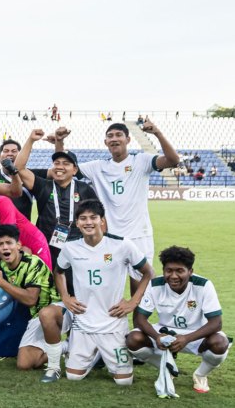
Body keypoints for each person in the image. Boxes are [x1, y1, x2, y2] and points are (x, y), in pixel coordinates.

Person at [55, 200, 153, 385]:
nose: (88, 222)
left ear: (102, 220)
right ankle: (87, 353)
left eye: (93, 217)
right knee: (74, 377)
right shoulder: (70, 247)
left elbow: (148, 273)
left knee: (124, 382)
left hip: (113, 324)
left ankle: (103, 352)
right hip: (83, 324)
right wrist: (65, 297)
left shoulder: (122, 245)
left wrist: (133, 302)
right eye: (83, 218)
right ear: (77, 223)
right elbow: (58, 272)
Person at [77, 122, 177, 286]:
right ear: (105, 142)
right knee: (108, 289)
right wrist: (60, 142)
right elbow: (67, 169)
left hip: (139, 235)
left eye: (119, 135)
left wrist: (157, 133)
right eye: (110, 136)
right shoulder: (97, 167)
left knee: (139, 288)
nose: (114, 139)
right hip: (110, 237)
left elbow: (173, 160)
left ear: (128, 139)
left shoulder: (141, 160)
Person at [126, 246, 228, 394]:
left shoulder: (203, 285)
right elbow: (140, 319)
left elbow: (216, 323)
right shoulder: (155, 285)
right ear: (163, 270)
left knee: (220, 342)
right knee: (133, 339)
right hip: (165, 332)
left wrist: (187, 338)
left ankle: (200, 375)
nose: (173, 276)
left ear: (190, 271)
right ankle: (168, 367)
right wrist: (157, 336)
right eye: (169, 270)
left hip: (195, 334)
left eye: (180, 271)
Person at [0, 225, 69, 382]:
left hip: (57, 310)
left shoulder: (33, 263)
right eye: (0, 244)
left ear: (18, 245)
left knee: (46, 313)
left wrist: (1, 282)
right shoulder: (4, 263)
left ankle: (56, 364)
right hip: (38, 316)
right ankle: (67, 345)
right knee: (24, 364)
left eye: (9, 243)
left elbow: (31, 300)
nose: (5, 247)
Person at [13, 130, 99, 266]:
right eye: (56, 163)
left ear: (75, 170)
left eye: (66, 163)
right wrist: (31, 140)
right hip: (46, 248)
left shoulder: (84, 189)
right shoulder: (43, 186)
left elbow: (98, 217)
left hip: (77, 247)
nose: (60, 167)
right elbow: (18, 168)